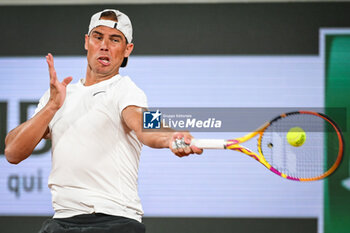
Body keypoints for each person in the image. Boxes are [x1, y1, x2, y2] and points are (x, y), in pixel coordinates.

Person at [4, 9, 202, 233]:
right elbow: (12, 152)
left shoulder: (126, 89)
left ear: (128, 50)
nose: (104, 45)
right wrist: (51, 106)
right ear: (87, 42)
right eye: (98, 37)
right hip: (62, 219)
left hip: (115, 220)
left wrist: (170, 137)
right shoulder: (59, 95)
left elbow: (143, 121)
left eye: (115, 39)